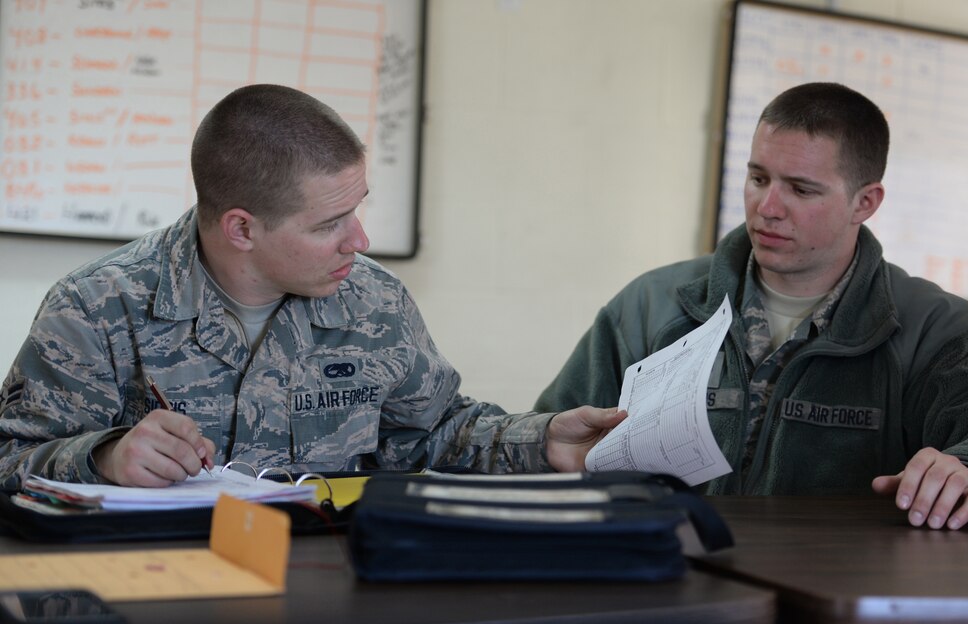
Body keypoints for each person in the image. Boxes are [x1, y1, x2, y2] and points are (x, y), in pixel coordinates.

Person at [0, 84, 624, 490]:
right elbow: (9, 461)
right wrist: (102, 457)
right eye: (329, 223)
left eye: (357, 208)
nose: (360, 239)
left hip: (328, 596)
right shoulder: (95, 307)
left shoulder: (374, 301)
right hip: (158, 603)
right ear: (241, 228)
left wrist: (542, 440)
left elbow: (432, 436)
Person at [537, 81, 968, 531]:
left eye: (801, 189)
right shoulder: (650, 307)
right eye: (758, 178)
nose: (767, 207)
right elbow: (543, 440)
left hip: (832, 621)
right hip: (660, 594)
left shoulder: (932, 329)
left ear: (865, 202)